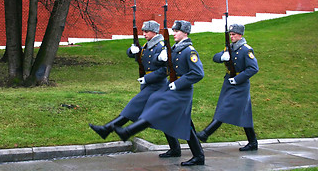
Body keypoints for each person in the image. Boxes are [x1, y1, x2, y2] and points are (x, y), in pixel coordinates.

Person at [113, 20, 206, 166]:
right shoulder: (176, 49)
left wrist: (177, 83)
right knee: (176, 119)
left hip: (182, 91)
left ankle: (198, 156)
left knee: (182, 121)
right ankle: (181, 150)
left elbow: (198, 73)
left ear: (185, 33)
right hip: (173, 89)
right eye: (173, 30)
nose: (174, 33)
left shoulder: (189, 51)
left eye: (177, 31)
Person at [89, 20, 181, 158]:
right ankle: (175, 149)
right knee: (162, 118)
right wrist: (131, 51)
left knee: (133, 106)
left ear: (155, 32)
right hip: (148, 86)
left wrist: (147, 78)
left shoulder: (161, 47)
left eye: (146, 31)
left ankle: (106, 129)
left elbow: (166, 70)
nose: (143, 34)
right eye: (142, 31)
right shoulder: (147, 45)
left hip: (157, 86)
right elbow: (138, 56)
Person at [196, 24, 259, 151]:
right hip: (229, 83)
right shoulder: (229, 48)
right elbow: (215, 58)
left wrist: (237, 79)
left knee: (225, 108)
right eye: (230, 34)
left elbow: (253, 68)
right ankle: (253, 142)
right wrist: (222, 57)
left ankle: (205, 133)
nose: (231, 37)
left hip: (240, 85)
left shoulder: (246, 50)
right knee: (244, 113)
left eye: (234, 34)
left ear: (240, 35)